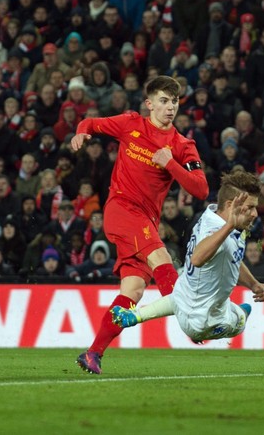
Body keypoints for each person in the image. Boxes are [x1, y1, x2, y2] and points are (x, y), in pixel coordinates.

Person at [70, 75, 210, 375]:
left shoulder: (182, 145)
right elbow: (90, 123)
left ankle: (93, 353)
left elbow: (201, 190)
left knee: (131, 293)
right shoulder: (130, 124)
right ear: (149, 104)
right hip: (120, 209)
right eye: (163, 101)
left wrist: (170, 164)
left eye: (174, 102)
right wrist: (81, 132)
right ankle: (193, 323)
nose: (170, 107)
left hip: (145, 222)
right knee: (163, 260)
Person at [111, 171, 264, 343]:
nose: (255, 214)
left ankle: (136, 315)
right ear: (231, 205)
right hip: (201, 322)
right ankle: (231, 319)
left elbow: (233, 258)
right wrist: (229, 226)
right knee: (240, 319)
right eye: (250, 207)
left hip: (184, 297)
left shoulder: (211, 214)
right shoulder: (221, 231)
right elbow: (197, 258)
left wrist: (253, 284)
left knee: (181, 295)